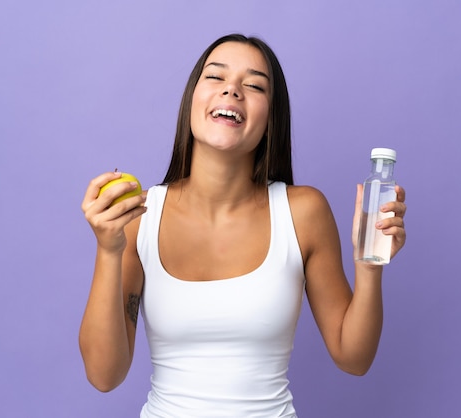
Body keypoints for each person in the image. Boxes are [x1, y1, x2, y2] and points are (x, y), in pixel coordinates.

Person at [79, 33, 407, 417]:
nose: (232, 90)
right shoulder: (140, 216)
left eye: (253, 86)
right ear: (192, 101)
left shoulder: (303, 212)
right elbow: (104, 375)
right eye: (215, 77)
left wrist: (369, 265)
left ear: (271, 120)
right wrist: (108, 250)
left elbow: (354, 358)